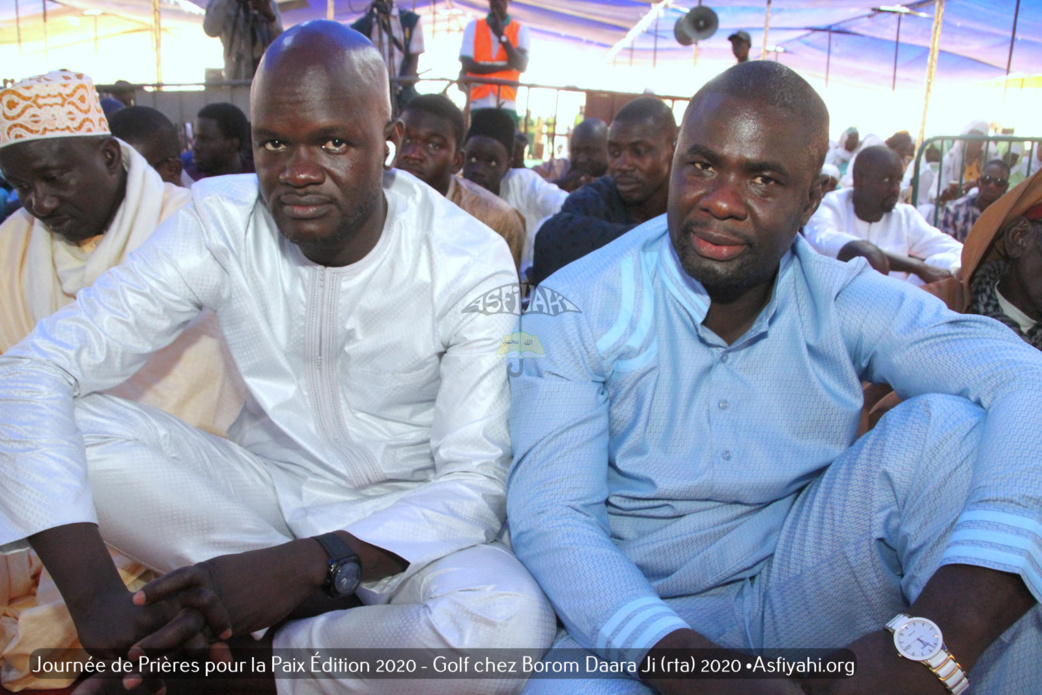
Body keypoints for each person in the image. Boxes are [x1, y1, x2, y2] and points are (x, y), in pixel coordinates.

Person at [0, 23, 555, 695]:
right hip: (257, 508)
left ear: (389, 144)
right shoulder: (220, 221)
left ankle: (248, 666)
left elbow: (474, 485)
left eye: (333, 141)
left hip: (410, 529)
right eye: (273, 143)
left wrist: (308, 566)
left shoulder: (468, 259)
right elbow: (35, 368)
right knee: (53, 409)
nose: (296, 171)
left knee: (505, 623)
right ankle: (315, 638)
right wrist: (96, 603)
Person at [507, 60, 1041, 695]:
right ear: (677, 162)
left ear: (812, 198)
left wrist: (947, 637)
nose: (722, 201)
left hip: (801, 582)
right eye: (702, 166)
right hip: (642, 611)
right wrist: (707, 674)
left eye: (763, 178)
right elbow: (552, 516)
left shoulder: (838, 296)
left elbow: (1021, 375)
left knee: (951, 430)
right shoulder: (576, 304)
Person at [0, 70, 243, 691]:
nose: (40, 203)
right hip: (49, 519)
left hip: (190, 500)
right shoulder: (11, 247)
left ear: (108, 154)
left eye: (53, 177)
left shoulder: (195, 226)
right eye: (20, 186)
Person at [530, 98, 676, 286]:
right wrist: (662, 244)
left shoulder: (692, 203)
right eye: (615, 152)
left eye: (639, 152)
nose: (622, 165)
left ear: (673, 150)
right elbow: (551, 237)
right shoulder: (594, 198)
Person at [395, 93, 525, 271]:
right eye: (406, 139)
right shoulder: (369, 199)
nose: (413, 153)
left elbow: (502, 293)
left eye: (433, 145)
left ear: (457, 160)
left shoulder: (496, 219)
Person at [805, 145, 962, 285]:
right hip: (837, 304)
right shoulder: (832, 205)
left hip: (894, 307)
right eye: (887, 180)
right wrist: (917, 267)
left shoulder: (904, 216)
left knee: (945, 262)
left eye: (899, 181)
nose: (895, 189)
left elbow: (954, 249)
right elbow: (853, 250)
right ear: (859, 181)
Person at [463, 107, 567, 279]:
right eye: (472, 159)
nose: (479, 170)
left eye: (492, 162)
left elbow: (564, 206)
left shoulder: (522, 184)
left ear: (508, 164)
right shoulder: (452, 193)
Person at [459, 0, 530, 118]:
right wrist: (505, 67)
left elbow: (521, 65)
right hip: (477, 102)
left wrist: (501, 35)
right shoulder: (473, 27)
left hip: (507, 103)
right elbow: (467, 65)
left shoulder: (520, 30)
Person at [350, 0, 424, 114]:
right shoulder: (361, 26)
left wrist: (397, 87)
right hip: (373, 95)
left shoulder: (410, 21)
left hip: (404, 93)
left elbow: (414, 62)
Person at [108, 106, 188, 187]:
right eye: (110, 171)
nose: (117, 186)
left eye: (131, 174)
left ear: (173, 170)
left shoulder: (199, 197)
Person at [203, 0, 282, 80]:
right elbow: (210, 30)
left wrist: (270, 16)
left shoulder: (269, 4)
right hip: (235, 79)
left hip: (264, 78)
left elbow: (281, 44)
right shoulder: (220, 3)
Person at [938, 159, 1011, 242]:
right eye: (986, 179)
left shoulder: (1010, 214)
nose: (992, 186)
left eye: (999, 182)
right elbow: (945, 246)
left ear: (1006, 187)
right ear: (978, 182)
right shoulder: (954, 210)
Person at [533, 118, 609, 193]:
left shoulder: (616, 182)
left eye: (590, 152)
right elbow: (526, 183)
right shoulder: (557, 168)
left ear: (609, 151)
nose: (581, 159)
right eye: (575, 151)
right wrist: (563, 183)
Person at [185, 102, 251, 179]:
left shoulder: (258, 179)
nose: (195, 146)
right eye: (195, 137)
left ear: (232, 144)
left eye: (205, 139)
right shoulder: (186, 182)